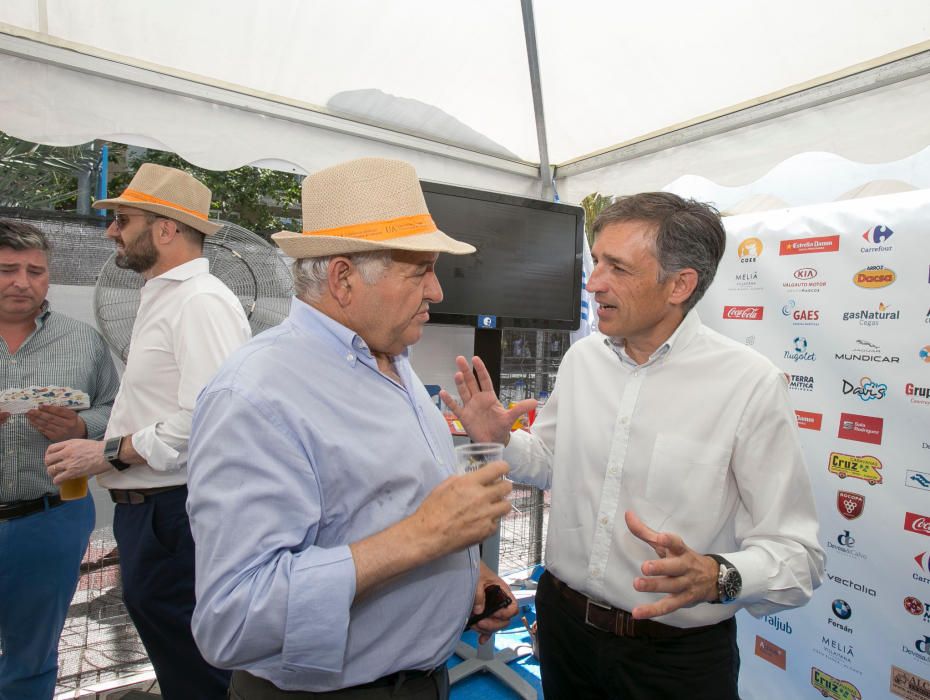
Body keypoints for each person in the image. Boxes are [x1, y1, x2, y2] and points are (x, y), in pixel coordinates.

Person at [443, 192, 825, 699]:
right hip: (563, 633)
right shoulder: (583, 361)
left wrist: (717, 576)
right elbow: (553, 462)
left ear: (680, 285)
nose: (594, 282)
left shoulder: (749, 385)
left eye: (616, 267)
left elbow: (798, 557)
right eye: (596, 260)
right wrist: (501, 441)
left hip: (673, 662)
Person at [186, 157, 518, 700]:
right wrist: (423, 537)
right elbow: (233, 618)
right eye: (419, 271)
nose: (436, 291)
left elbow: (383, 510)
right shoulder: (255, 396)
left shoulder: (394, 360)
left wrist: (468, 579)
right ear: (343, 279)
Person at [44, 164, 251, 699]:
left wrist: (107, 452)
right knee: (181, 659)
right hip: (154, 512)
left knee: (199, 666)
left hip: (174, 513)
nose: (111, 230)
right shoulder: (164, 296)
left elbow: (209, 417)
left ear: (166, 229)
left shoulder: (200, 302)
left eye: (123, 219)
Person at [0, 220, 119, 699]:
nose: (22, 282)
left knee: (33, 657)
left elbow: (115, 410)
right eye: (7, 269)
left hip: (50, 519)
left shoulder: (83, 341)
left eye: (35, 271)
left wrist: (79, 427)